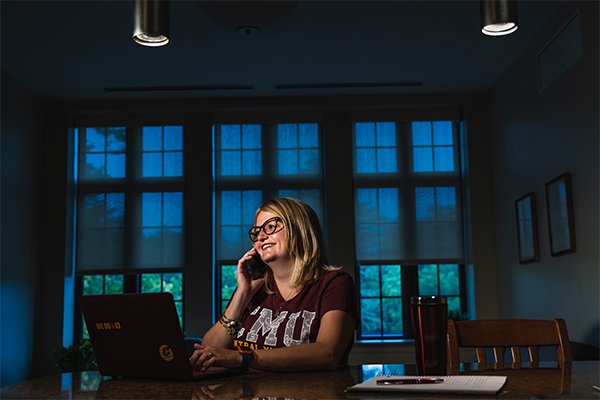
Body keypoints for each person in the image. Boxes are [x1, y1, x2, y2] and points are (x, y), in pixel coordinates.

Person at [189, 197, 357, 373]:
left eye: (270, 227)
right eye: (256, 232)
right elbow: (206, 354)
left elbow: (328, 353)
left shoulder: (334, 284)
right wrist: (242, 295)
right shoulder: (252, 289)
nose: (260, 237)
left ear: (299, 228)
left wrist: (244, 358)